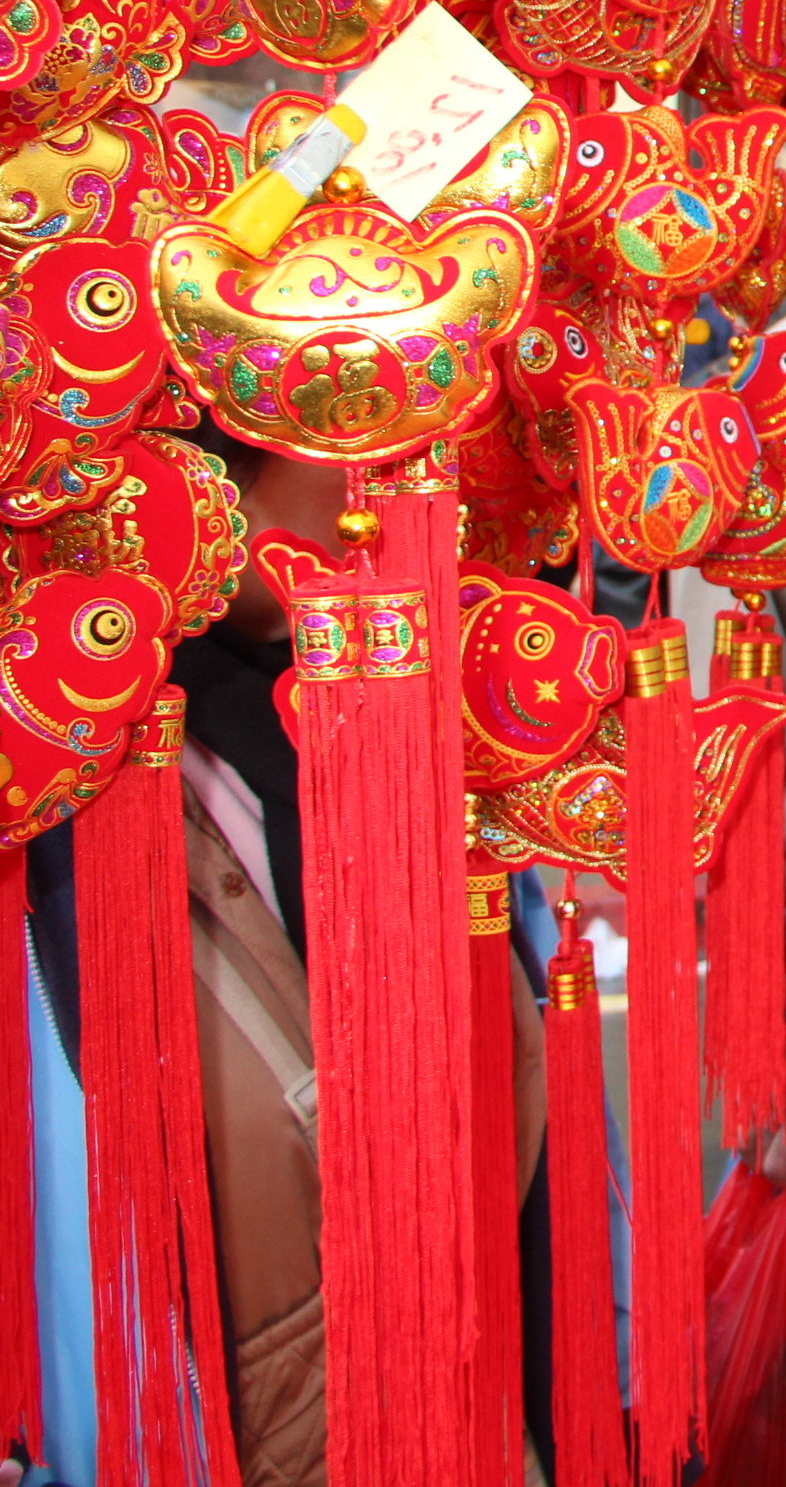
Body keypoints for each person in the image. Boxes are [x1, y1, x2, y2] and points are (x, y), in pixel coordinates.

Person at [25, 429, 557, 1487]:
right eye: (356, 434)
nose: (417, 478)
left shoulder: (402, 724)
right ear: (207, 477)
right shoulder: (72, 810)